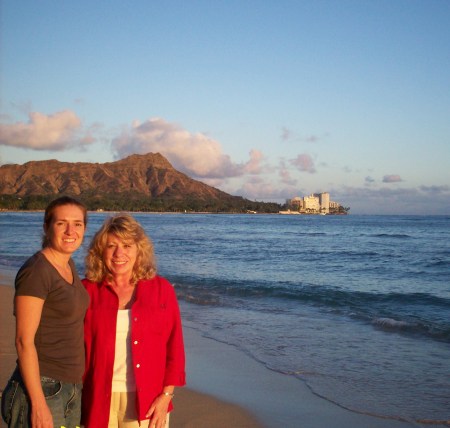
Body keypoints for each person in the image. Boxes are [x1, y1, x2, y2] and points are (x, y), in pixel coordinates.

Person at [82, 214, 186, 428]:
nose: (119, 253)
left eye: (127, 245)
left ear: (139, 250)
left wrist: (166, 396)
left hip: (147, 401)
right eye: (111, 246)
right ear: (100, 251)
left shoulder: (161, 290)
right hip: (97, 399)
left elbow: (174, 347)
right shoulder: (87, 291)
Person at [1, 196, 89, 428]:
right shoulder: (37, 271)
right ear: (47, 227)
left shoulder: (67, 265)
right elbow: (23, 341)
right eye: (61, 223)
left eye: (77, 224)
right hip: (43, 388)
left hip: (68, 386)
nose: (71, 230)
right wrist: (39, 404)